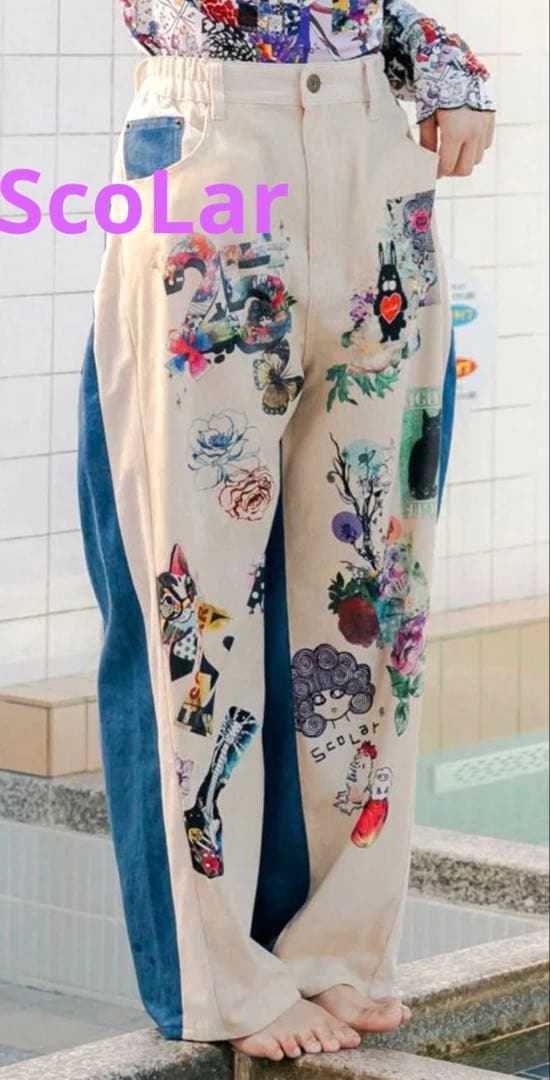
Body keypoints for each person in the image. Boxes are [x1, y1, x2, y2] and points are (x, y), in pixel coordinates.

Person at [77, 0, 495, 1063]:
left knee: (373, 609)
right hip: (217, 149)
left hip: (372, 151)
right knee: (193, 608)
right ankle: (218, 978)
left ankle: (338, 946)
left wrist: (431, 54)